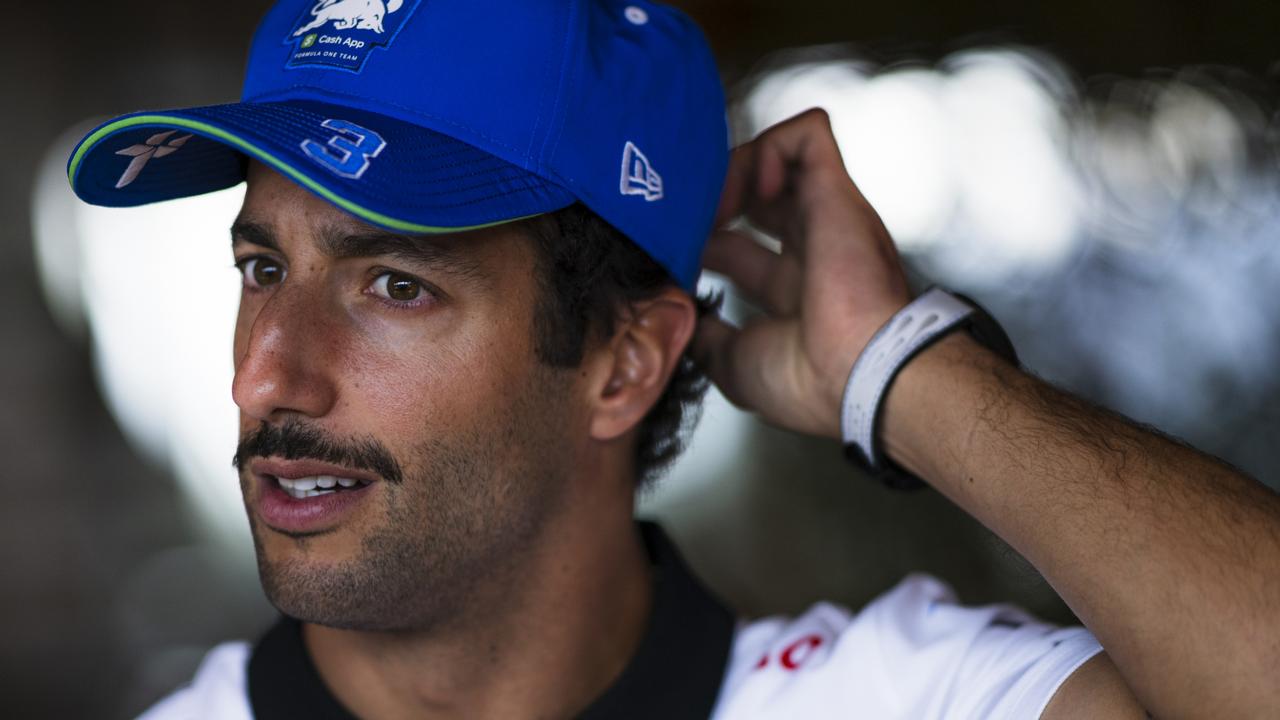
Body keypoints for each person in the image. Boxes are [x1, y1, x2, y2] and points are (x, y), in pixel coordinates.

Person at [67, 1, 1279, 718]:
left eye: (395, 285)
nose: (264, 378)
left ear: (624, 363)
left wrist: (905, 371)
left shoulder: (880, 698)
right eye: (260, 269)